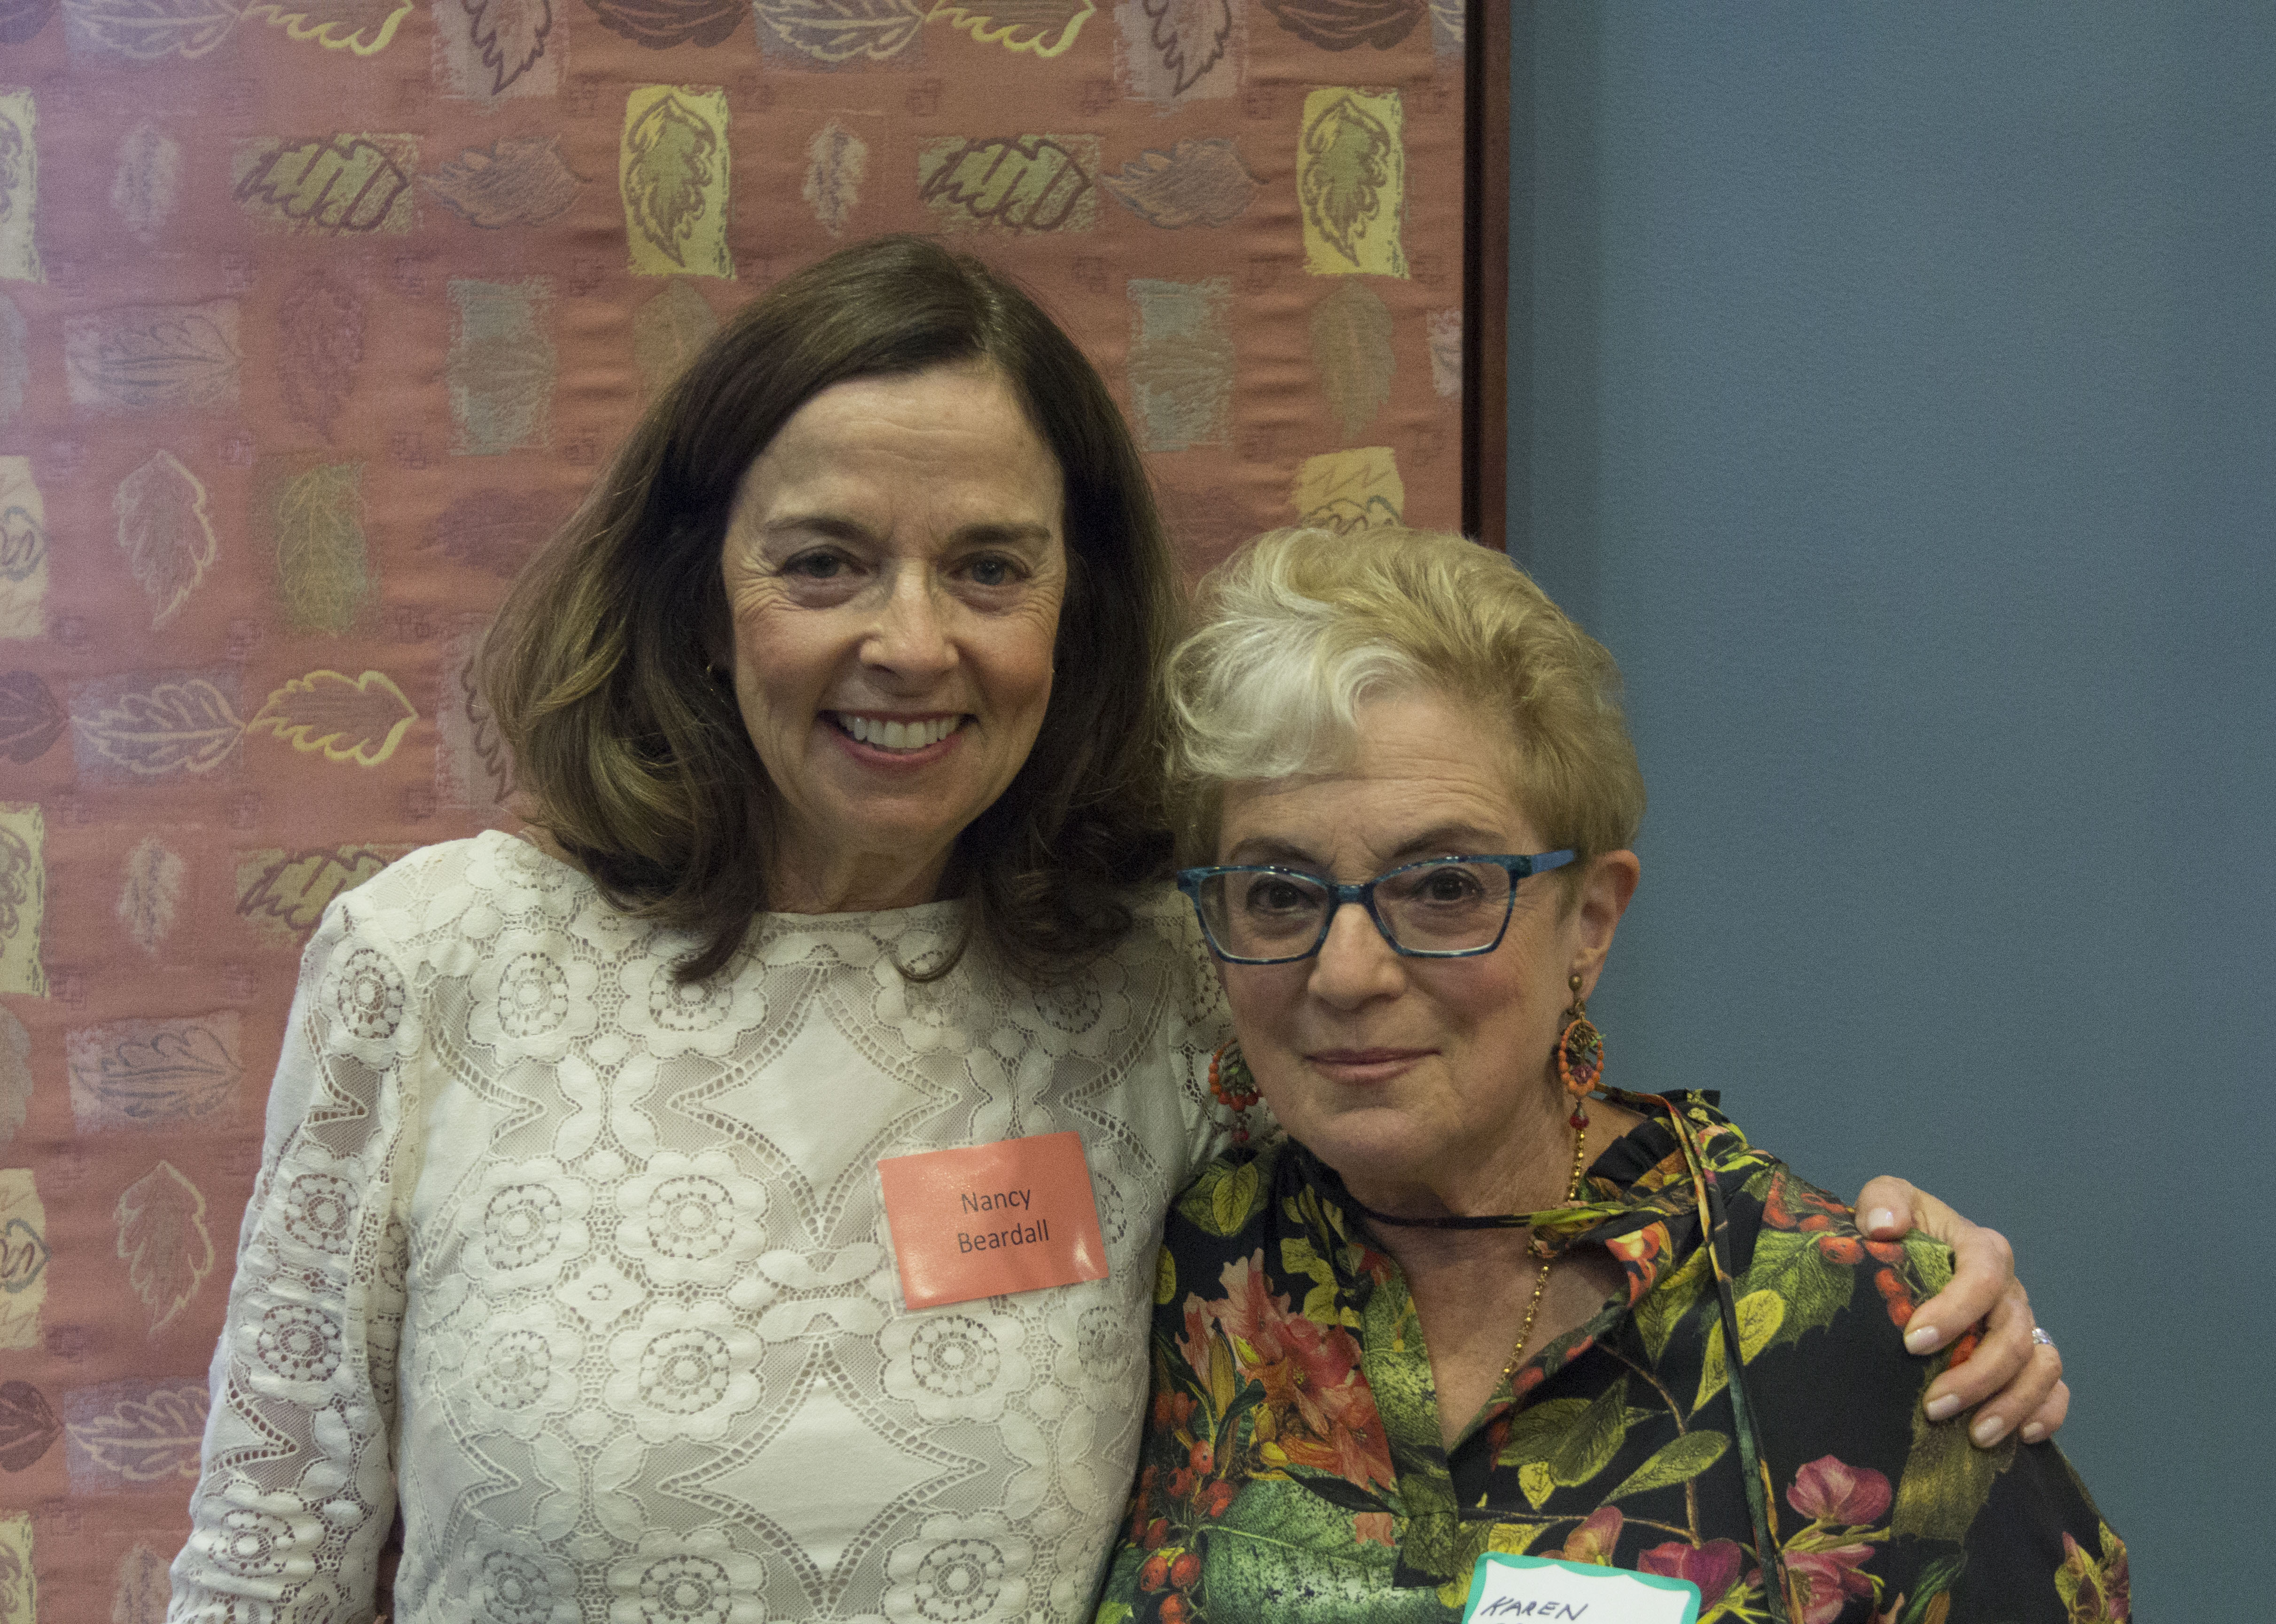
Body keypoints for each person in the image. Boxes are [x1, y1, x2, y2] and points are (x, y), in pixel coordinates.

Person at [166, 239, 2063, 1624]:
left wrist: (1883, 1278)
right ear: (700, 583)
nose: (909, 642)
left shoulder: (1148, 982)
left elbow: (1461, 1118)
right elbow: (263, 1575)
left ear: (1070, 606)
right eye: (824, 558)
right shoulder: (437, 965)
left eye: (986, 566)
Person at [1095, 526, 2116, 1624]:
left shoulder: (1846, 1325)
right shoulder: (1175, 1269)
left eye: (1443, 886)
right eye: (1280, 893)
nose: (1346, 972)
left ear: (1588, 920)